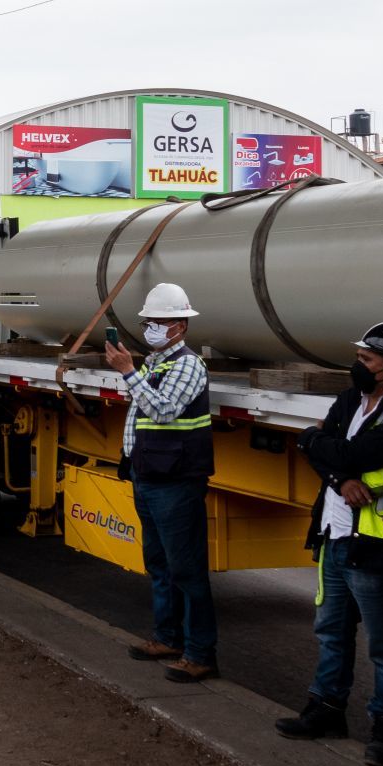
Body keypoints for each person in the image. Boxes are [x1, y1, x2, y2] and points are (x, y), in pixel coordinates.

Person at [278, 321, 383, 766]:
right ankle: (326, 710)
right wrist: (339, 477)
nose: (358, 365)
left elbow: (353, 452)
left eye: (367, 360)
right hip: (335, 534)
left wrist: (325, 448)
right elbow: (319, 451)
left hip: (374, 545)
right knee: (331, 632)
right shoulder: (349, 399)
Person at [106, 282, 218, 684]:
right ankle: (168, 638)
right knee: (159, 564)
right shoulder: (155, 363)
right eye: (149, 321)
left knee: (186, 568)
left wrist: (128, 373)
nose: (152, 327)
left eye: (160, 322)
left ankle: (200, 653)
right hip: (150, 475)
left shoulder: (187, 364)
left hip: (176, 481)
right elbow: (141, 417)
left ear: (180, 327)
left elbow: (165, 411)